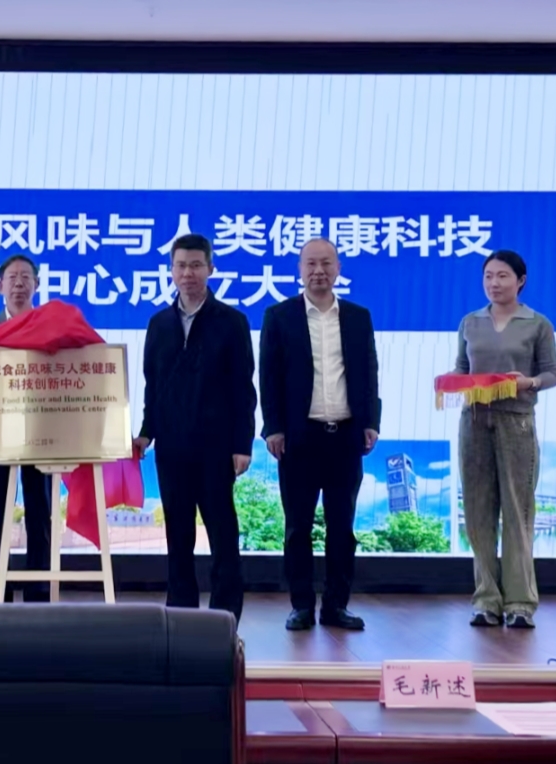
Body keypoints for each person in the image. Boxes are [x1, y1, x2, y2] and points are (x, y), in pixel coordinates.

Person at [260, 239, 380, 632]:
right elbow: (269, 377)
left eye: (326, 263)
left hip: (345, 436)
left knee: (342, 527)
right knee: (298, 527)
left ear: (338, 268)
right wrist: (273, 427)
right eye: (311, 263)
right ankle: (300, 605)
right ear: (300, 269)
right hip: (299, 437)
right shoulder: (279, 316)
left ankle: (335, 606)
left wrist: (371, 421)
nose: (318, 271)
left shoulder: (358, 317)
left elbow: (369, 373)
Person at [135, 234, 255, 620]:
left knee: (223, 533)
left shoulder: (232, 322)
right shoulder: (159, 324)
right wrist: (146, 432)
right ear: (171, 271)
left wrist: (242, 444)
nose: (188, 273)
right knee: (178, 534)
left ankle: (226, 615)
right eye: (181, 266)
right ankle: (180, 615)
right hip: (172, 447)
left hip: (216, 447)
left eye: (196, 265)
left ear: (210, 268)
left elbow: (243, 388)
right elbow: (153, 386)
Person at [447, 249, 556, 630]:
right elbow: (462, 368)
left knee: (517, 511)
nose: (494, 283)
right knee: (477, 512)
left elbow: (552, 373)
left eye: (502, 276)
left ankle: (520, 603)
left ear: (521, 280)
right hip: (474, 420)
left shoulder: (538, 324)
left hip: (517, 421)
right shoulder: (470, 322)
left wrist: (529, 382)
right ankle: (486, 600)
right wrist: (451, 381)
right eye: (488, 276)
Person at [0, 254, 52, 603]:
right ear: (0, 285)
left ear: (37, 284)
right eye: (12, 278)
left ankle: (39, 594)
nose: (19, 284)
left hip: (45, 437)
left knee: (40, 517)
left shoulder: (52, 325)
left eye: (26, 277)